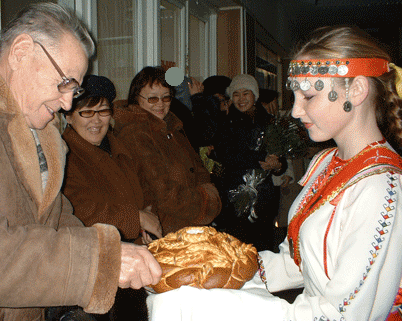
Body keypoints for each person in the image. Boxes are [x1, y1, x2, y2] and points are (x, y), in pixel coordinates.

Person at [147, 25, 402, 321]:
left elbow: (341, 314)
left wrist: (214, 305)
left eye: (308, 97)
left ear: (356, 90)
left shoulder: (382, 186)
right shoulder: (326, 161)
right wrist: (220, 266)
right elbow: (297, 263)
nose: (295, 111)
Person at [0, 2, 161, 320]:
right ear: (21, 52)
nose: (67, 104)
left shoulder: (37, 130)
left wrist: (112, 254)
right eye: (64, 83)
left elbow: (55, 216)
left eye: (73, 90)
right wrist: (99, 261)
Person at [61, 74, 162, 320]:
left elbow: (144, 188)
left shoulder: (117, 147)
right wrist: (137, 218)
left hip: (136, 266)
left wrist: (148, 213)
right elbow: (80, 211)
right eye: (87, 112)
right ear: (68, 116)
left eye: (103, 111)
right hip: (101, 273)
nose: (96, 120)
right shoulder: (65, 157)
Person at [113, 66, 222, 236]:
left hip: (186, 226)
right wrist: (207, 202)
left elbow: (198, 167)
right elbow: (164, 194)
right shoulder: (135, 133)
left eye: (166, 98)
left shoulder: (172, 126)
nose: (160, 104)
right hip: (164, 230)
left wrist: (206, 189)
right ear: (136, 98)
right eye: (152, 99)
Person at [210, 74, 287, 251]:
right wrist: (260, 160)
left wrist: (278, 165)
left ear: (255, 95)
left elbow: (280, 160)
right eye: (236, 94)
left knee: (265, 249)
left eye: (246, 93)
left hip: (264, 198)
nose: (241, 99)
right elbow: (226, 155)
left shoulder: (269, 122)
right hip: (235, 197)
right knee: (238, 249)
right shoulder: (226, 122)